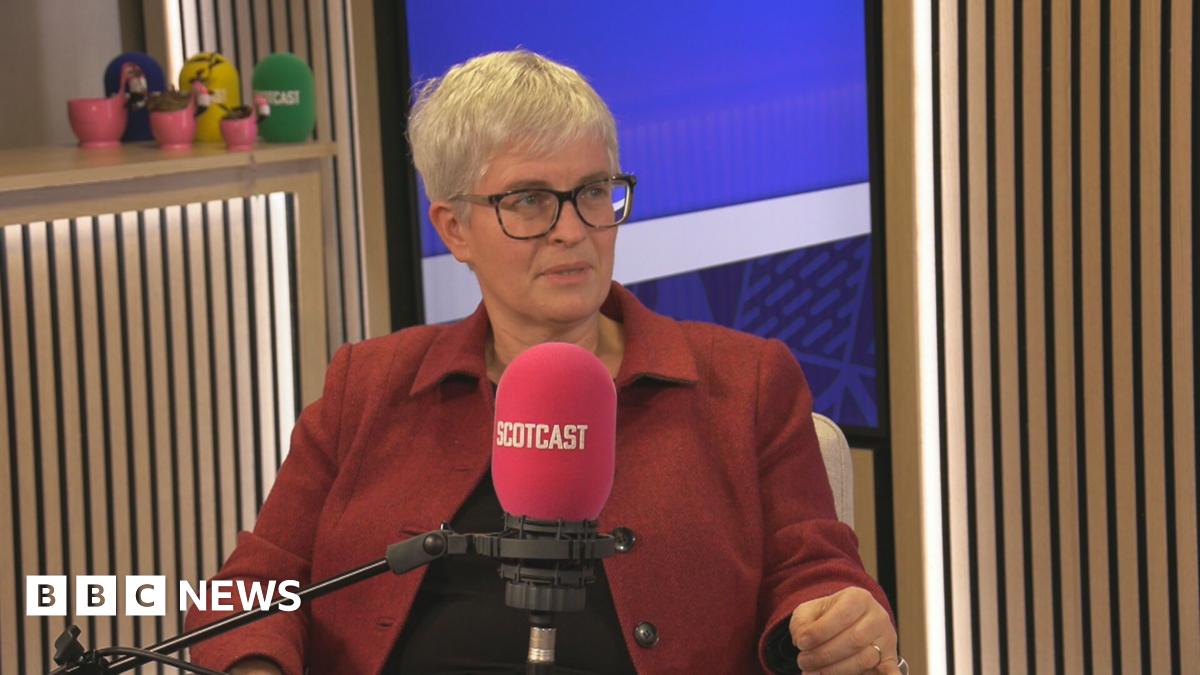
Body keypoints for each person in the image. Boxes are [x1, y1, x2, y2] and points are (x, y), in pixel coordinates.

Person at [186, 50, 902, 675]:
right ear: (454, 228)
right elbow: (251, 586)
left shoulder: (746, 383)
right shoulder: (368, 387)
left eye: (593, 191)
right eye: (530, 200)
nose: (573, 231)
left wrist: (837, 619)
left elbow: (817, 571)